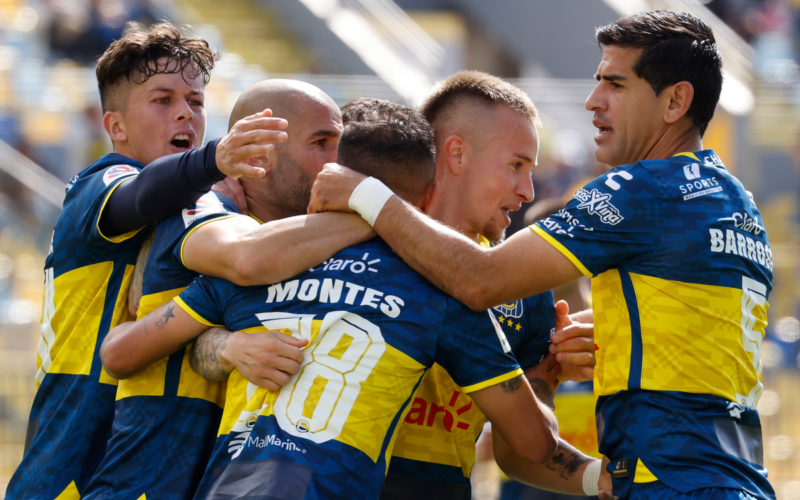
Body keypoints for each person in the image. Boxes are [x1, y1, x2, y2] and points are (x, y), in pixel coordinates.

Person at [308, 10, 775, 500]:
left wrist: (368, 194)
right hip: (733, 481)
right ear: (456, 153)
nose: (594, 101)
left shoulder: (639, 194)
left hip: (671, 486)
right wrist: (620, 336)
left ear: (676, 100)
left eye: (615, 85)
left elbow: (479, 281)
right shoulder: (736, 203)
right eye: (514, 165)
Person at [99, 98, 559, 500]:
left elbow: (119, 352)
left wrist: (224, 343)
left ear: (328, 180)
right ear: (425, 194)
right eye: (517, 165)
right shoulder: (440, 296)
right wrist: (545, 378)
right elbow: (535, 446)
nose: (527, 189)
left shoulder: (259, 265)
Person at [8, 21, 288, 500]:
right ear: (115, 126)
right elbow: (140, 194)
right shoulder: (100, 183)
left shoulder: (200, 210)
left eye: (195, 102)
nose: (186, 115)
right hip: (70, 462)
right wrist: (214, 160)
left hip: (148, 460)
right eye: (163, 101)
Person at [83, 79, 374, 500]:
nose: (337, 163)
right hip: (144, 485)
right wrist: (383, 213)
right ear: (259, 155)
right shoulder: (201, 212)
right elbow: (121, 349)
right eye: (321, 143)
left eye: (339, 145)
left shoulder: (324, 243)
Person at [377, 73, 600, 500]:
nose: (527, 190)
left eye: (531, 171)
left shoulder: (524, 290)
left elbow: (523, 449)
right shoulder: (354, 242)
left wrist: (602, 480)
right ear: (457, 153)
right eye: (516, 165)